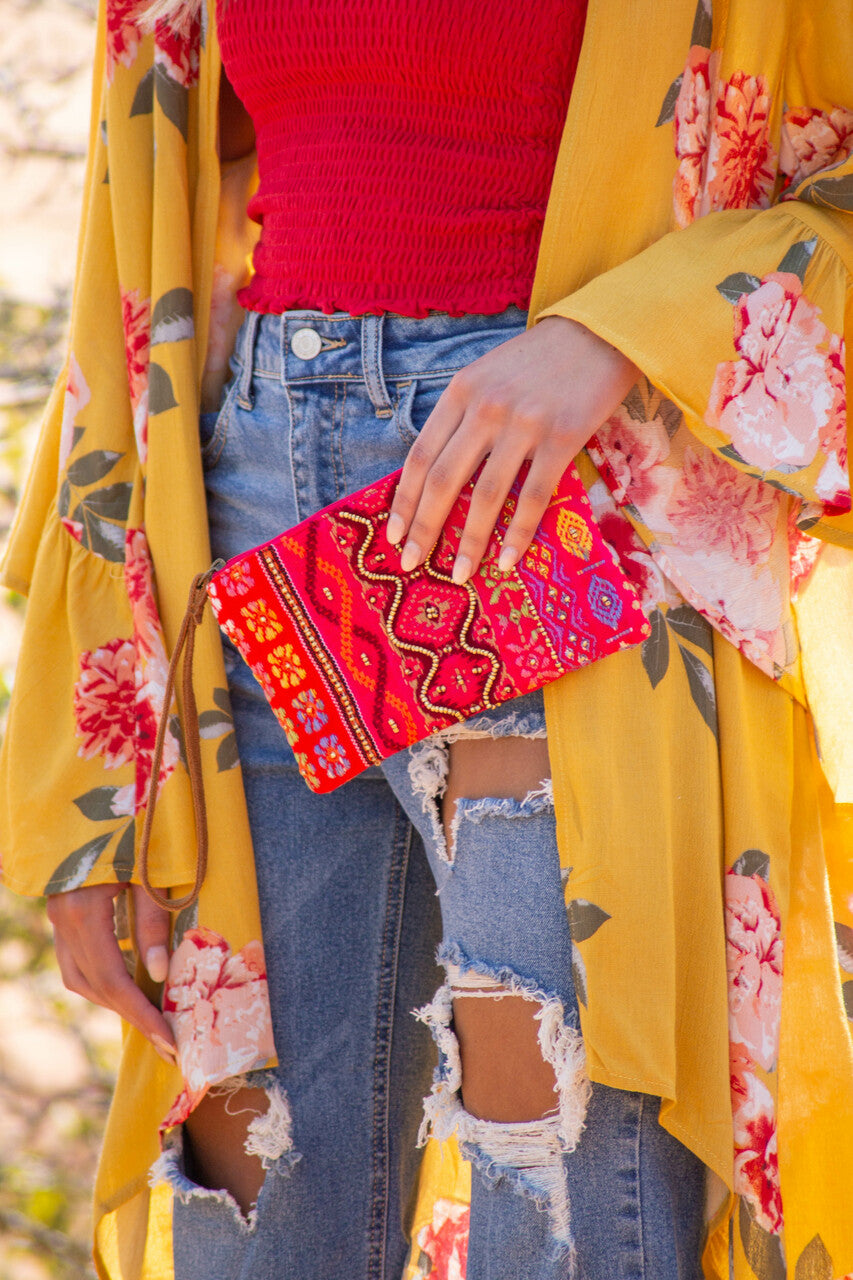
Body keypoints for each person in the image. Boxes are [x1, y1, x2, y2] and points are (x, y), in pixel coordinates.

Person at [2, 0, 853, 1277]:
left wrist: (609, 333)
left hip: (541, 514)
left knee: (553, 1169)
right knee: (251, 1185)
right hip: (246, 515)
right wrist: (100, 777)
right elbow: (150, 235)